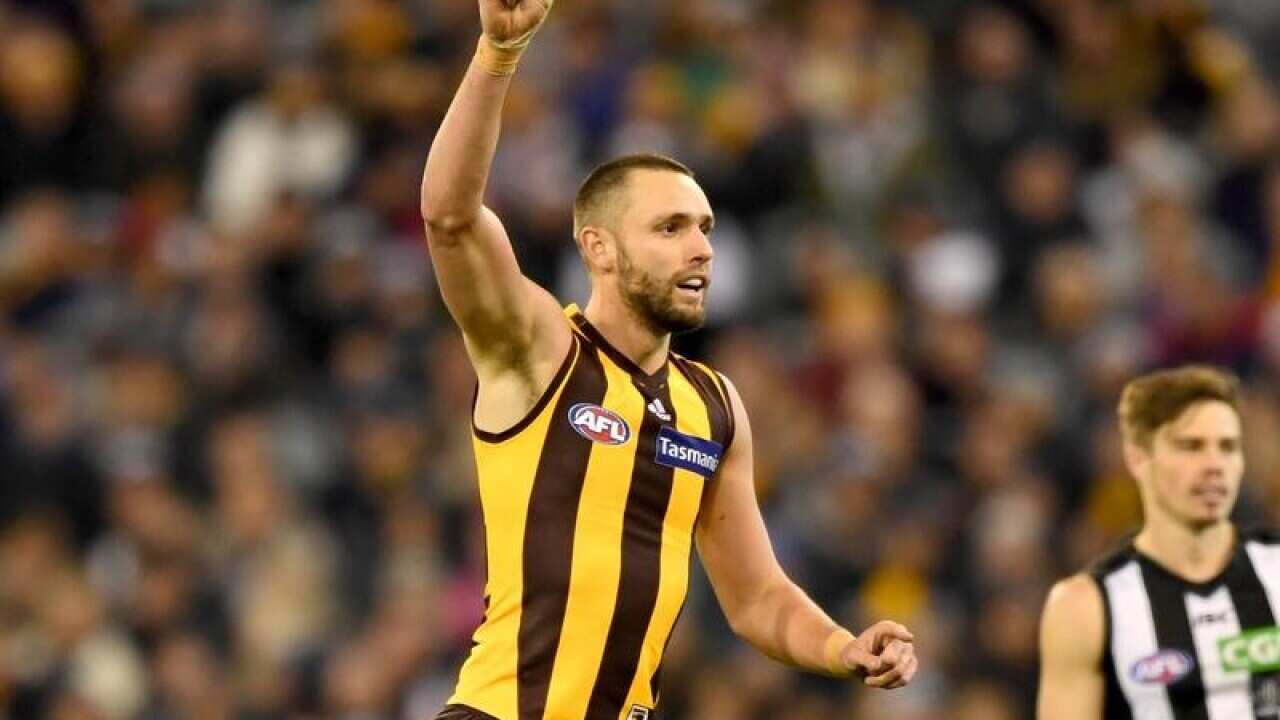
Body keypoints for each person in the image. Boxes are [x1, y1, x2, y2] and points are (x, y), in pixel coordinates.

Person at [420, 1, 918, 719]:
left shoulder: (713, 406)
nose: (702, 248)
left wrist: (843, 647)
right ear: (598, 248)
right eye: (670, 228)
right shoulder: (541, 350)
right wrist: (497, 56)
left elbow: (757, 598)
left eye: (705, 228)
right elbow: (451, 219)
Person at [1038, 365, 1280, 719]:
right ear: (1138, 457)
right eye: (1191, 446)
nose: (1214, 465)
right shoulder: (1086, 607)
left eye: (1227, 447)